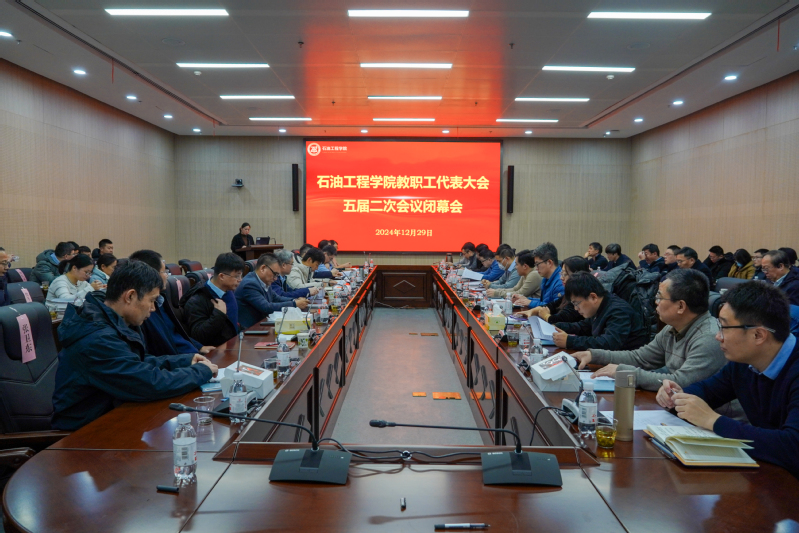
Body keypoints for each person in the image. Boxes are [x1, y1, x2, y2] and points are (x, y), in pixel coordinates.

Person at [51, 261, 217, 431]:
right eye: (151, 300)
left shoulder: (112, 320)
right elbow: (147, 383)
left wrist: (184, 361)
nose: (153, 308)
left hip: (114, 416)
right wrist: (200, 372)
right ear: (130, 296)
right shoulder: (97, 338)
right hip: (84, 433)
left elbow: (136, 362)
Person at [656, 281, 799, 478]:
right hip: (769, 473)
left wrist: (713, 420)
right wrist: (676, 396)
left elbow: (792, 447)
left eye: (723, 327)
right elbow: (707, 391)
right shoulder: (744, 363)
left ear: (758, 335)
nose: (718, 337)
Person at [572, 269, 728, 391]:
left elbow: (679, 382)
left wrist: (623, 372)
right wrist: (594, 355)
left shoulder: (708, 338)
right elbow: (640, 358)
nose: (655, 302)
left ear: (681, 306)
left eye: (659, 297)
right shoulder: (671, 328)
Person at [129, 249, 214, 358]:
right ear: (151, 274)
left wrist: (198, 347)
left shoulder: (160, 300)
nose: (167, 275)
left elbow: (173, 333)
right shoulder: (140, 312)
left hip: (189, 357)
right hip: (178, 362)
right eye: (164, 272)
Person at [551, 272, 649, 351]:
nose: (576, 309)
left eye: (576, 303)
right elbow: (584, 326)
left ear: (593, 297)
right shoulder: (602, 304)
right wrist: (556, 326)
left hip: (626, 364)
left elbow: (608, 344)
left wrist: (570, 341)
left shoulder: (618, 311)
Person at [180, 252, 244, 347]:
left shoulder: (228, 292)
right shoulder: (197, 300)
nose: (240, 280)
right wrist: (219, 314)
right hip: (216, 352)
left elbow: (232, 324)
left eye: (241, 275)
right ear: (222, 276)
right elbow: (198, 336)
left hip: (234, 346)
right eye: (237, 276)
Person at [236, 253, 309, 329]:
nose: (275, 278)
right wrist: (294, 304)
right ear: (263, 268)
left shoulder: (263, 280)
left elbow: (276, 298)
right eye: (275, 274)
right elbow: (266, 307)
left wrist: (295, 300)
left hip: (263, 325)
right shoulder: (250, 284)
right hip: (250, 331)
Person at [517, 256, 588, 324]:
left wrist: (546, 316)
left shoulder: (580, 296)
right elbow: (552, 305)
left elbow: (562, 319)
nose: (561, 278)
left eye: (565, 274)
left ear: (577, 276)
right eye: (562, 273)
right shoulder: (568, 293)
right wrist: (532, 311)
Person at [510, 243, 564, 309]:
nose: (536, 268)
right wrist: (526, 299)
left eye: (538, 264)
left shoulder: (561, 282)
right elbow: (544, 301)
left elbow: (555, 308)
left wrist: (530, 303)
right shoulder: (546, 278)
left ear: (549, 263)